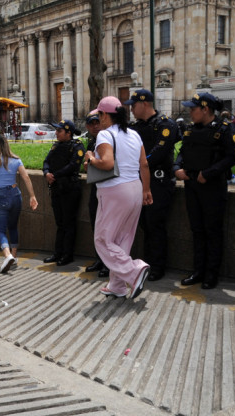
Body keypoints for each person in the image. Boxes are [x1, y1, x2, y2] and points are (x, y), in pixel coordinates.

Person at [86, 96, 152, 299]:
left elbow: (106, 164)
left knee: (103, 240)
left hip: (114, 190)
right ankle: (117, 286)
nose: (99, 119)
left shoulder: (105, 135)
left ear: (106, 115)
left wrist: (90, 158)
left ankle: (134, 271)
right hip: (135, 188)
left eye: (99, 115)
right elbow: (144, 165)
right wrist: (146, 190)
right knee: (123, 238)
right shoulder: (134, 134)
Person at [174, 92, 235, 289]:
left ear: (205, 109)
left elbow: (231, 157)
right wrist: (177, 168)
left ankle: (211, 274)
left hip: (212, 187)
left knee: (212, 232)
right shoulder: (190, 130)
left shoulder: (225, 129)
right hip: (192, 185)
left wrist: (209, 173)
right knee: (197, 230)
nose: (190, 113)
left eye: (193, 109)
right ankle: (198, 271)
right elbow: (182, 153)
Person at [125, 89, 180, 281]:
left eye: (133, 105)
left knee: (155, 225)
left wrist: (140, 162)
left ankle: (157, 266)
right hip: (138, 183)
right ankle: (147, 263)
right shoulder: (135, 127)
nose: (131, 109)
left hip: (159, 183)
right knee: (144, 226)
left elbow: (159, 153)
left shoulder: (166, 125)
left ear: (145, 104)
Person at [0, 135, 39, 273]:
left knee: (0, 230)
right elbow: (26, 177)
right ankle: (14, 256)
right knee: (13, 227)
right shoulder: (16, 159)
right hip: (15, 194)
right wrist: (32, 196)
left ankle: (7, 255)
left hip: (0, 196)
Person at [42, 119, 85, 266]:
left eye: (59, 131)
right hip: (56, 188)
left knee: (69, 223)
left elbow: (73, 166)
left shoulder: (77, 146)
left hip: (69, 189)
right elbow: (46, 161)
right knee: (60, 223)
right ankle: (58, 253)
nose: (56, 133)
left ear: (68, 133)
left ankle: (68, 255)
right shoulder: (55, 146)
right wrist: (47, 172)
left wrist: (55, 175)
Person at [82, 110, 109, 277]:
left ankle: (108, 263)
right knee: (96, 225)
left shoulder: (107, 140)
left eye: (97, 123)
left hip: (109, 188)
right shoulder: (92, 142)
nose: (94, 127)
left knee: (108, 228)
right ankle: (99, 259)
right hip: (96, 187)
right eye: (91, 124)